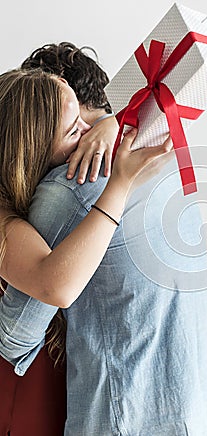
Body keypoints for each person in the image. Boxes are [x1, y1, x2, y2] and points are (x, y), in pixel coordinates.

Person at [1, 50, 207, 435]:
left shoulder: (71, 186)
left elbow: (15, 336)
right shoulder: (164, 155)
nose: (91, 138)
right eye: (74, 130)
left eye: (83, 124)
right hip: (202, 413)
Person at [0, 42, 126, 435]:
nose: (89, 138)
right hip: (19, 401)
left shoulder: (45, 204)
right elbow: (57, 286)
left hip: (63, 393)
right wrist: (121, 183)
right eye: (75, 131)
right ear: (33, 151)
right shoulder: (5, 219)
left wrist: (111, 122)